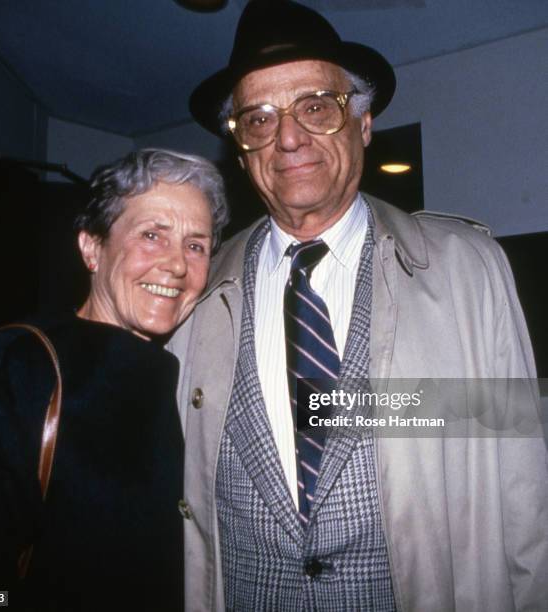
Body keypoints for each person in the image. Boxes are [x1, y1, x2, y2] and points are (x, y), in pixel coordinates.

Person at [170, 1, 548, 610]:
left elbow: (527, 491)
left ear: (364, 124)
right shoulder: (198, 289)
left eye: (316, 107)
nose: (288, 136)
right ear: (242, 148)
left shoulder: (468, 269)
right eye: (259, 119)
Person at [0, 149, 229, 611]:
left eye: (195, 245)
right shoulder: (23, 364)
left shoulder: (182, 374)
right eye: (152, 235)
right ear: (92, 248)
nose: (177, 264)